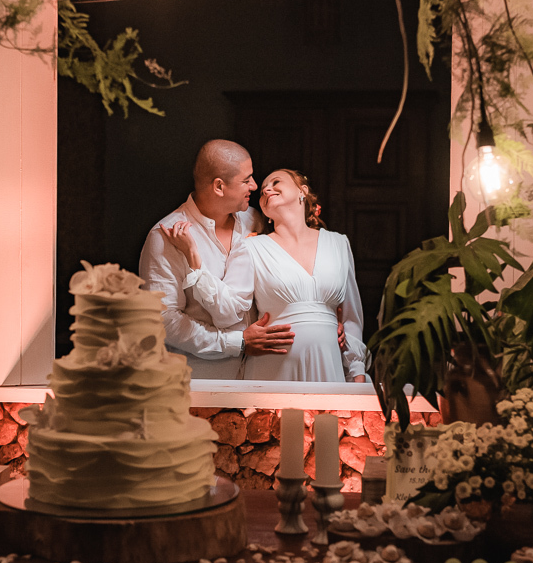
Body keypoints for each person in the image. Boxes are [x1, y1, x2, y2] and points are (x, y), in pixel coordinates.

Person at [167, 169, 368, 382]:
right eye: (263, 192)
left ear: (303, 191)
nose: (267, 190)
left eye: (276, 182)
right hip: (275, 366)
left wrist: (357, 372)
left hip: (327, 364)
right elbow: (227, 311)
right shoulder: (251, 247)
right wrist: (195, 261)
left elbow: (351, 317)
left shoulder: (338, 244)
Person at [139, 140, 296, 379]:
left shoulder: (257, 221)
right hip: (201, 380)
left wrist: (321, 317)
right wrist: (236, 342)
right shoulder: (165, 236)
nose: (255, 186)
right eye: (246, 180)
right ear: (219, 187)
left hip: (264, 374)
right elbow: (164, 320)